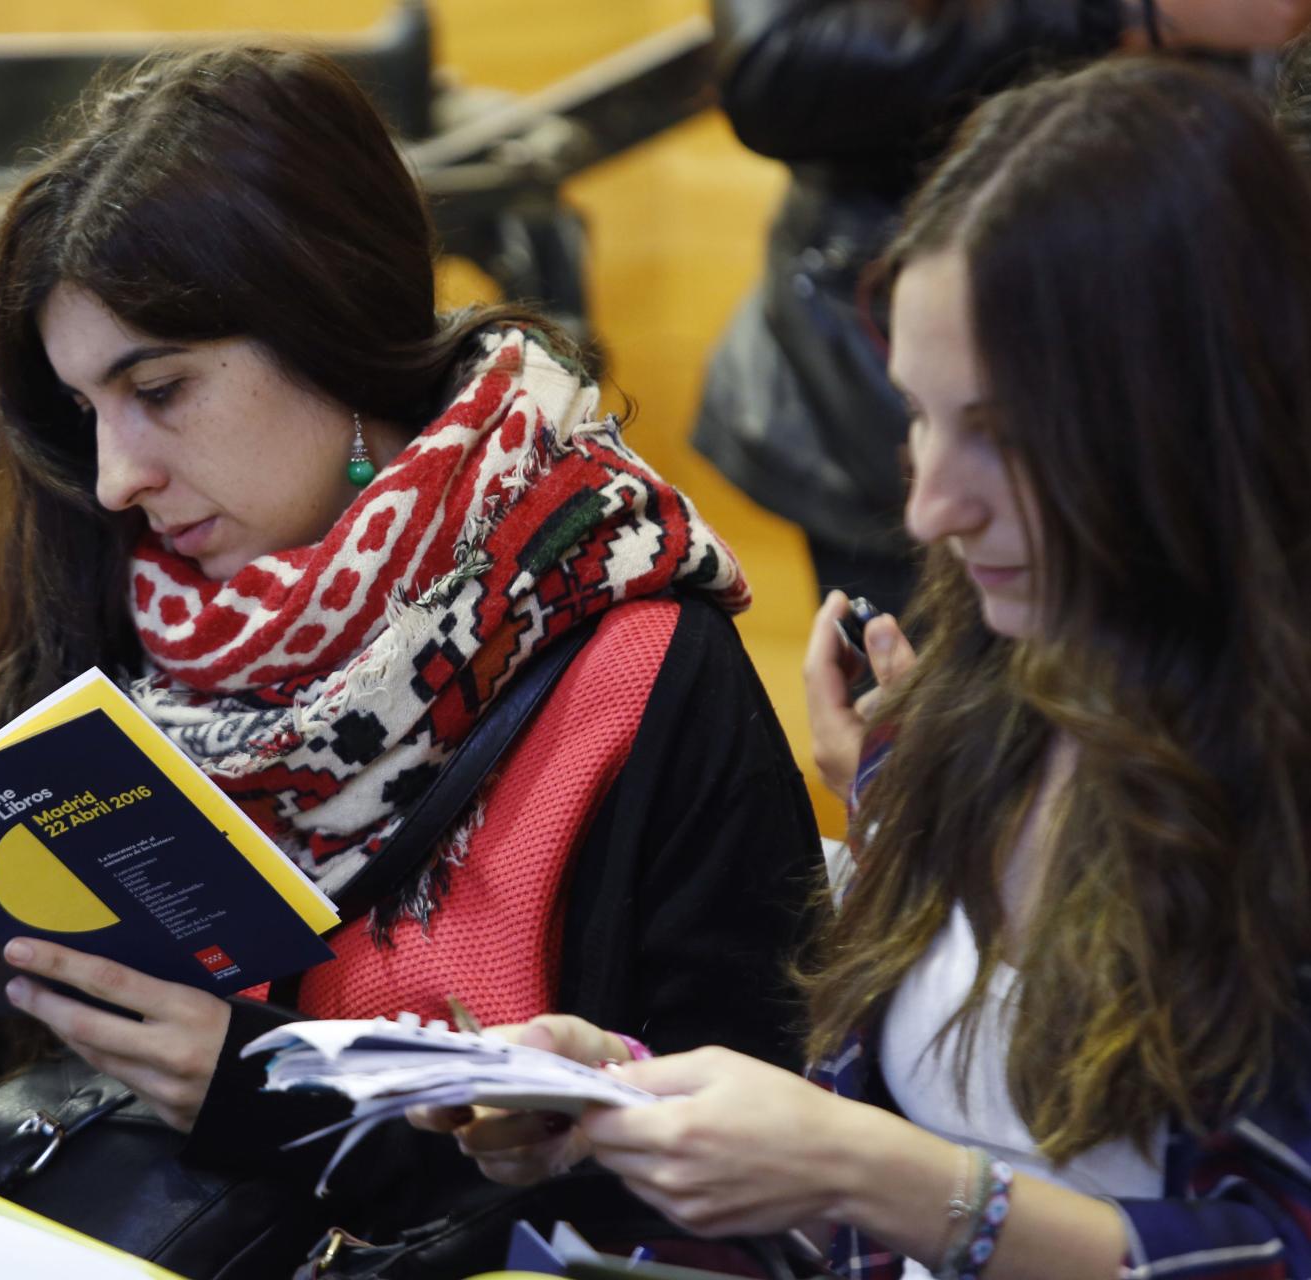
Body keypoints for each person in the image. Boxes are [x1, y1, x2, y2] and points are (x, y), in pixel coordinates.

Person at [0, 43, 821, 1273]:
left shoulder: (637, 655)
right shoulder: (130, 627)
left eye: (158, 388)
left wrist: (267, 1101)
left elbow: (749, 1196)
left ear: (328, 324)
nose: (117, 474)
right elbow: (31, 1156)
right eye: (85, 412)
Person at [416, 56, 1311, 1278]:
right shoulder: (990, 694)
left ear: (1187, 421)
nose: (933, 504)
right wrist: (625, 1105)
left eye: (1002, 435)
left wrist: (879, 1174)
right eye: (919, 415)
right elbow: (905, 1126)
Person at [696, 0, 1311, 617]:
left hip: (1220, 361)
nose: (932, 509)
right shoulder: (949, 471)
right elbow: (770, 64)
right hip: (894, 357)